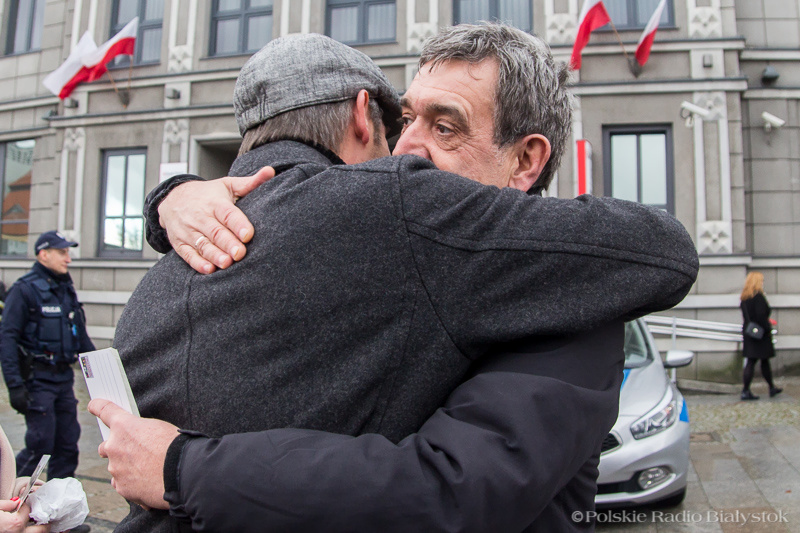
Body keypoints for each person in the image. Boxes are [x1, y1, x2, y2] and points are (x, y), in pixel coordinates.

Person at [99, 27, 698, 532]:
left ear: (525, 159)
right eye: (406, 119)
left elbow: (455, 489)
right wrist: (173, 199)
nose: (406, 150)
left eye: (445, 127)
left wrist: (185, 468)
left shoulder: (576, 293)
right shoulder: (378, 248)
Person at [0, 231, 95, 486]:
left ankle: (59, 506)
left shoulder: (65, 290)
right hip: (37, 381)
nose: (68, 259)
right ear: (43, 254)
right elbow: (7, 339)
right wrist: (15, 386)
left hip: (64, 379)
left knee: (67, 444)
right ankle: (5, 495)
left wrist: (103, 373)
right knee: (40, 444)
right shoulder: (24, 290)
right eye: (62, 252)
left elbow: (82, 338)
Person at [740, 271, 781, 400]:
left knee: (759, 361)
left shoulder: (745, 298)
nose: (762, 283)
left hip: (750, 333)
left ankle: (771, 387)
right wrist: (767, 327)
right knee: (756, 362)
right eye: (761, 281)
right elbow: (761, 316)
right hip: (760, 335)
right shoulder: (758, 297)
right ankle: (746, 390)